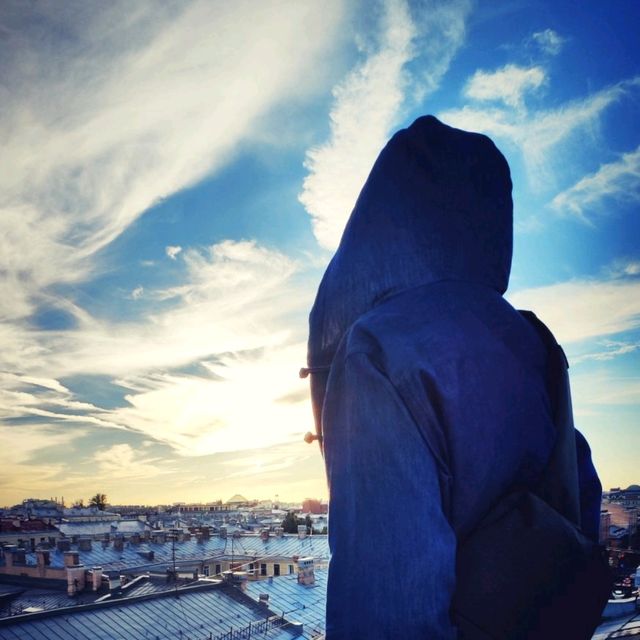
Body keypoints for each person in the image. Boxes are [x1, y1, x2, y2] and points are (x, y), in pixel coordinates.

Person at [304, 116, 602, 639]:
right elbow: (582, 502)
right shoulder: (534, 341)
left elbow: (389, 615)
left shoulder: (378, 351)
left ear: (379, 220)